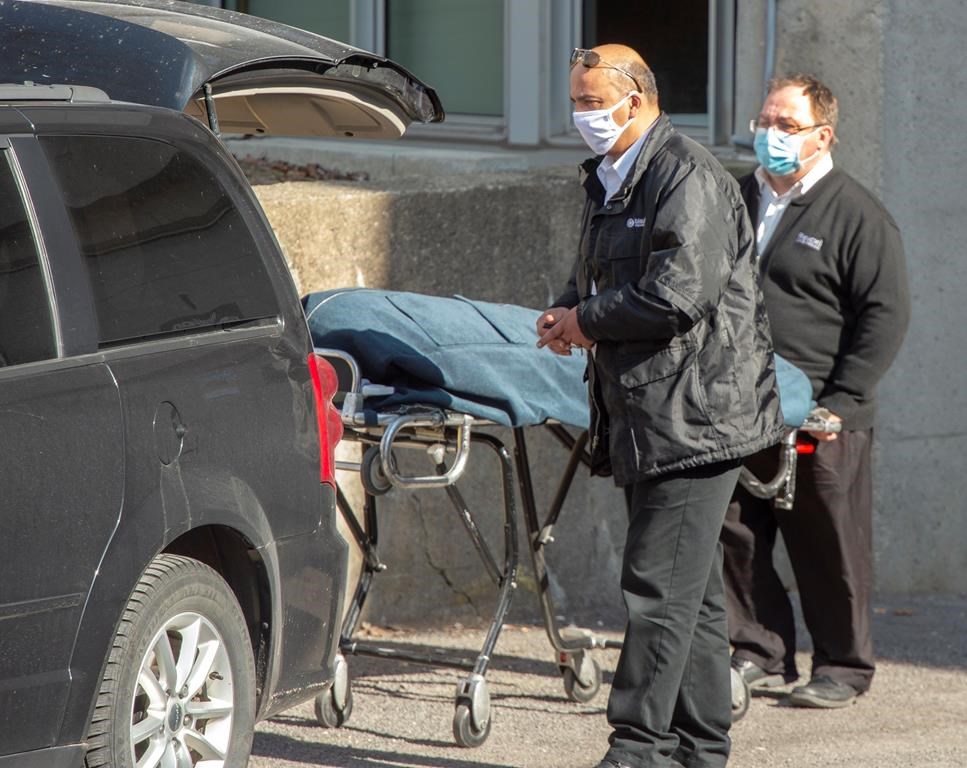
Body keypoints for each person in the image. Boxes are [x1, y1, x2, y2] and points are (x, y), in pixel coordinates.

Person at [538, 44, 785, 768]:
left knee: (654, 592)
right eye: (576, 102)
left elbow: (679, 294)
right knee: (694, 600)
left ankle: (637, 750)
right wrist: (567, 310)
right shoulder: (612, 178)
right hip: (651, 415)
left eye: (592, 103)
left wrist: (589, 321)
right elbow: (599, 274)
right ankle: (699, 750)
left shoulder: (685, 175)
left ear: (637, 98)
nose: (581, 116)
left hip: (696, 419)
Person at [721, 74, 910, 709]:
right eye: (764, 121)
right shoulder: (736, 196)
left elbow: (885, 314)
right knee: (737, 529)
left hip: (823, 414)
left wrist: (844, 401)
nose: (769, 135)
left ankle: (843, 666)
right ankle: (758, 648)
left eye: (787, 126)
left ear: (822, 136)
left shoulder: (856, 213)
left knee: (828, 539)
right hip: (739, 402)